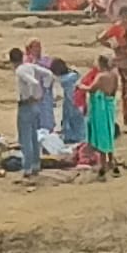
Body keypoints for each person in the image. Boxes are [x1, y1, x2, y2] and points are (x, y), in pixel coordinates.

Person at [11, 47, 56, 179]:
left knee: (25, 138)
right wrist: (44, 89)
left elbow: (33, 82)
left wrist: (32, 94)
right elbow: (48, 74)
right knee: (33, 135)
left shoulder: (20, 70)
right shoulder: (30, 66)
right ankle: (36, 163)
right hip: (35, 106)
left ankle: (28, 167)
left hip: (26, 105)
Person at [81, 54, 120, 179]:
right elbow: (114, 91)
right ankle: (112, 162)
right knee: (109, 132)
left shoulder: (101, 76)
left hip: (100, 108)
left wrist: (81, 87)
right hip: (109, 105)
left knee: (102, 135)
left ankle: (103, 166)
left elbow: (91, 89)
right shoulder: (114, 75)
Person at [52, 59, 86, 144]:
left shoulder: (65, 80)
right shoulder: (73, 76)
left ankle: (72, 136)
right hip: (77, 101)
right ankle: (77, 136)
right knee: (78, 121)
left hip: (71, 103)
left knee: (71, 120)